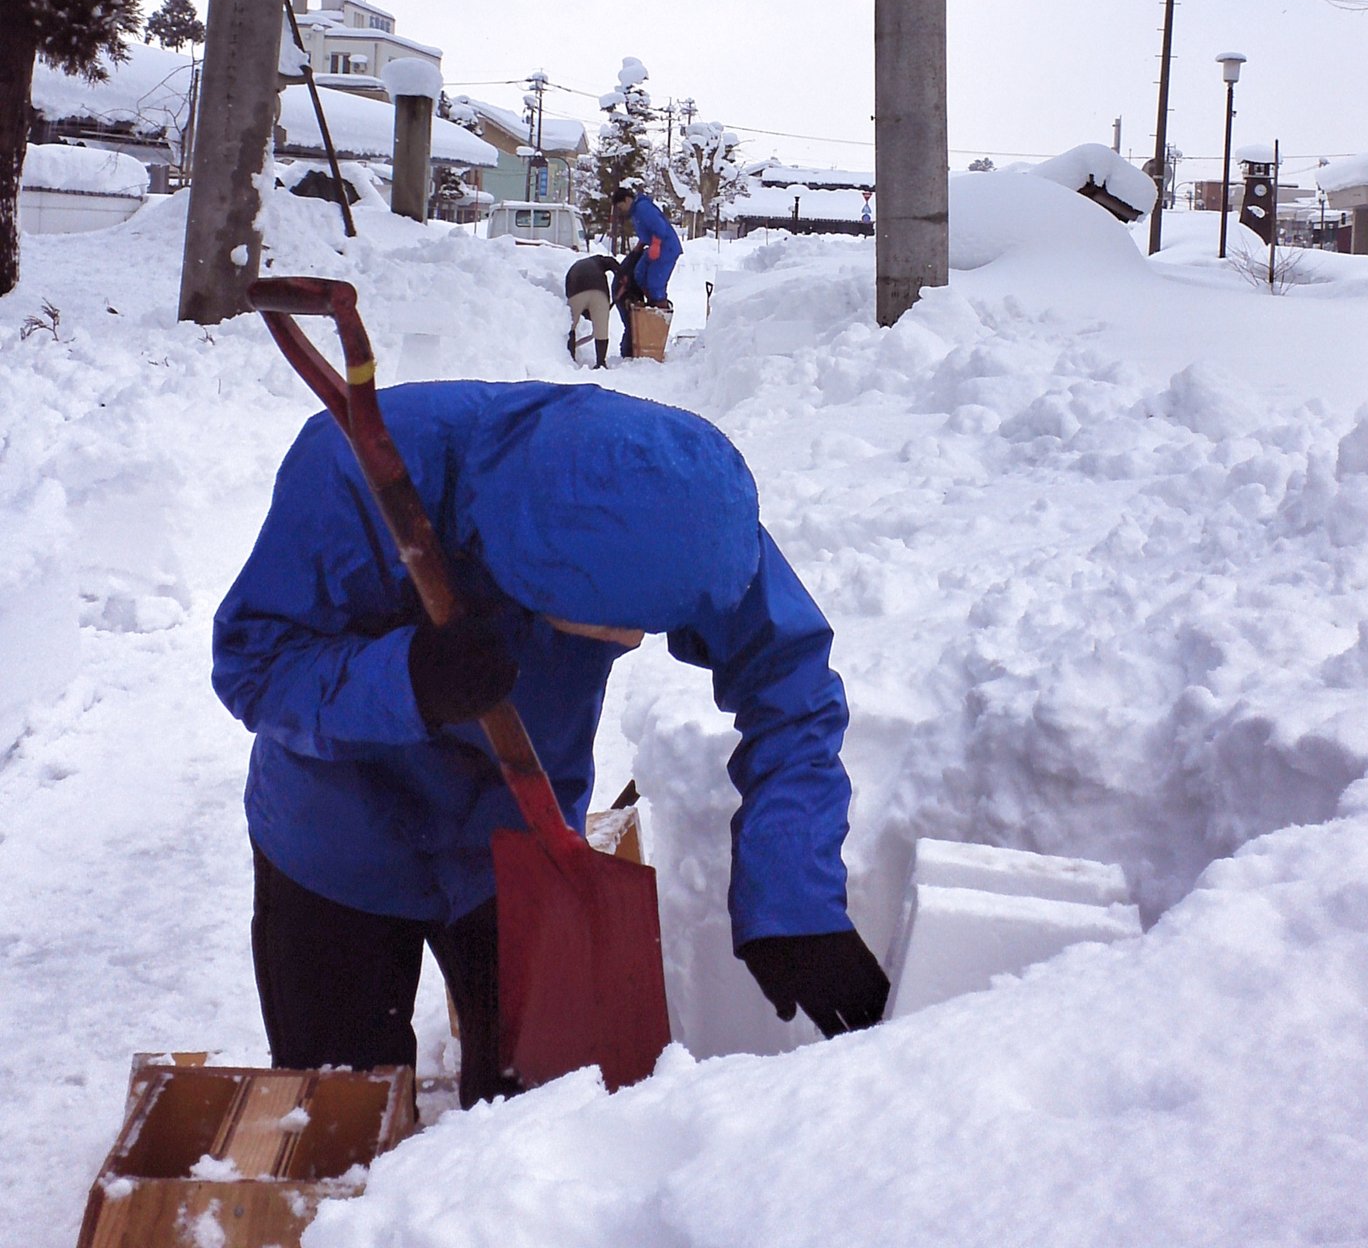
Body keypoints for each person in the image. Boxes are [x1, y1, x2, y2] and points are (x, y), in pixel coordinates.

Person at [211, 381, 888, 1106]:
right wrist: (409, 679)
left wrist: (793, 894)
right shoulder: (357, 467)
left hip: (518, 836)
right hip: (336, 835)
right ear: (524, 576)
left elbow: (790, 687)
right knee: (336, 1114)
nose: (631, 641)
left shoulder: (680, 507)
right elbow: (256, 665)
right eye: (607, 623)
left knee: (529, 1114)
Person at [611, 182, 682, 359]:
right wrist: (640, 247)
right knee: (639, 274)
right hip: (653, 247)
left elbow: (659, 226)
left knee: (655, 283)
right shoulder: (636, 212)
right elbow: (646, 232)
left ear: (627, 199)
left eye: (621, 206)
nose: (622, 210)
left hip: (666, 248)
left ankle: (658, 318)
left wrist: (656, 244)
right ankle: (649, 308)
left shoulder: (642, 207)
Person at [563, 250, 621, 368]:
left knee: (570, 326)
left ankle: (570, 359)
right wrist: (620, 275)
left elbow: (568, 292)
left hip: (575, 290)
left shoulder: (576, 267)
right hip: (599, 291)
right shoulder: (599, 261)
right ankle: (600, 362)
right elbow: (612, 263)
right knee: (601, 329)